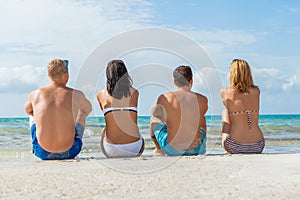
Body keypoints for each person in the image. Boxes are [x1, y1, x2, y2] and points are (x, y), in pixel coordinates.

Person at [24, 59, 92, 160]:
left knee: (32, 113)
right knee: (82, 113)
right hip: (70, 151)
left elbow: (28, 110)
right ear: (66, 74)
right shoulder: (77, 95)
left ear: (48, 74)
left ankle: (35, 146)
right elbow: (88, 109)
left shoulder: (35, 94)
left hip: (42, 152)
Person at [150, 65, 208, 156]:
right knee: (202, 119)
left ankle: (158, 149)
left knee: (154, 118)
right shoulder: (203, 100)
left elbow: (155, 113)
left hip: (172, 150)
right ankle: (200, 145)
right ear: (191, 81)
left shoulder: (164, 98)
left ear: (175, 82)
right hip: (196, 149)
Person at [97, 60, 144, 158]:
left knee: (104, 130)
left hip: (111, 149)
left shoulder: (101, 95)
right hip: (134, 148)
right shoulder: (135, 93)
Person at [220, 59, 265, 154]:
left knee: (225, 112)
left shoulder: (225, 92)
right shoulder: (256, 91)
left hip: (235, 145)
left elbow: (228, 121)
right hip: (258, 145)